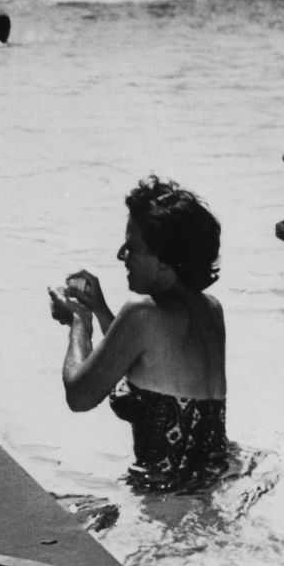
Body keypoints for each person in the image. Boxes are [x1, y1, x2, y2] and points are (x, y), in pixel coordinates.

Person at [47, 177, 228, 490]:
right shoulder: (211, 310)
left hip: (161, 500)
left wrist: (80, 322)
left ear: (162, 259)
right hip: (210, 488)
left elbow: (78, 396)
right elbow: (150, 367)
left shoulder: (142, 313)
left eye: (132, 247)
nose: (123, 257)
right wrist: (103, 312)